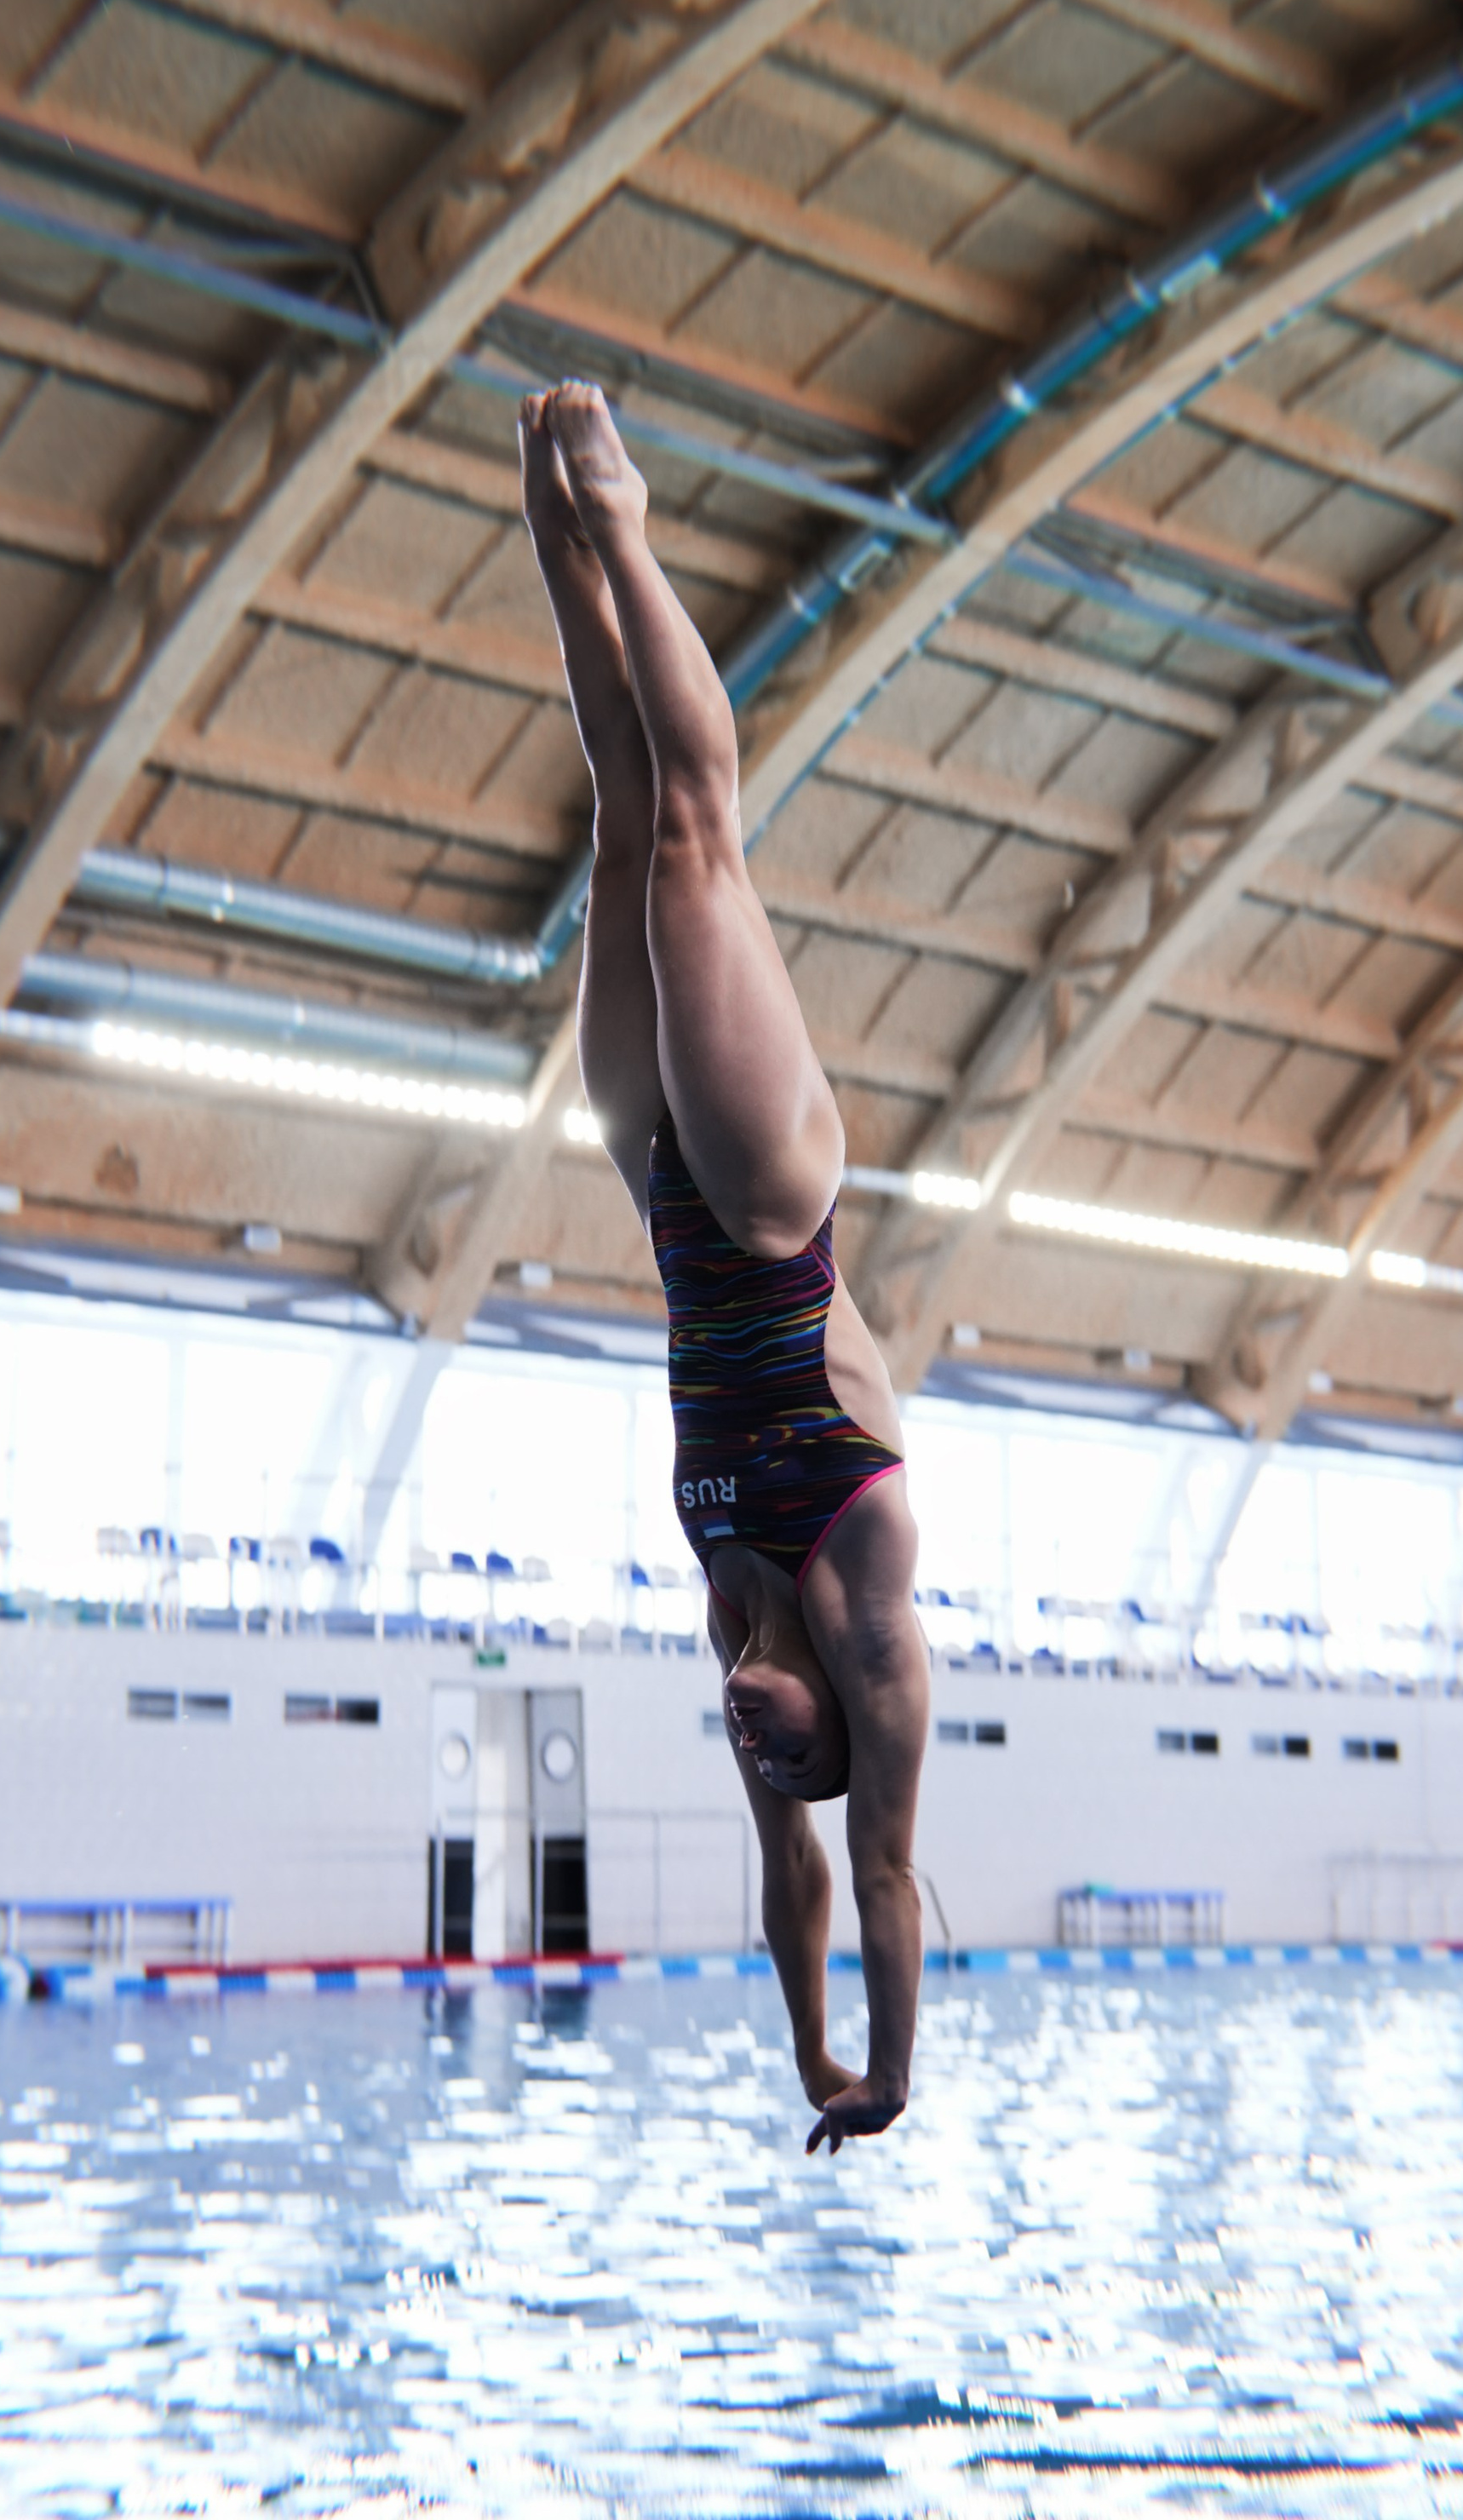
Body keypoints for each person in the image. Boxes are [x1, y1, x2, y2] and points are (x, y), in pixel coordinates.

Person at [519, 380, 930, 2152]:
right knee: (696, 822)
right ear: (830, 1723)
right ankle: (619, 510)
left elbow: (792, 1883)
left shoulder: (723, 1623)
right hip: (762, 1203)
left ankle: (550, 541)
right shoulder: (861, 1603)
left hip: (656, 1197)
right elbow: (881, 1873)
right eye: (782, 1753)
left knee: (616, 823)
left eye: (748, 1749)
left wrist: (798, 2057)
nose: (746, 1740)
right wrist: (888, 2068)